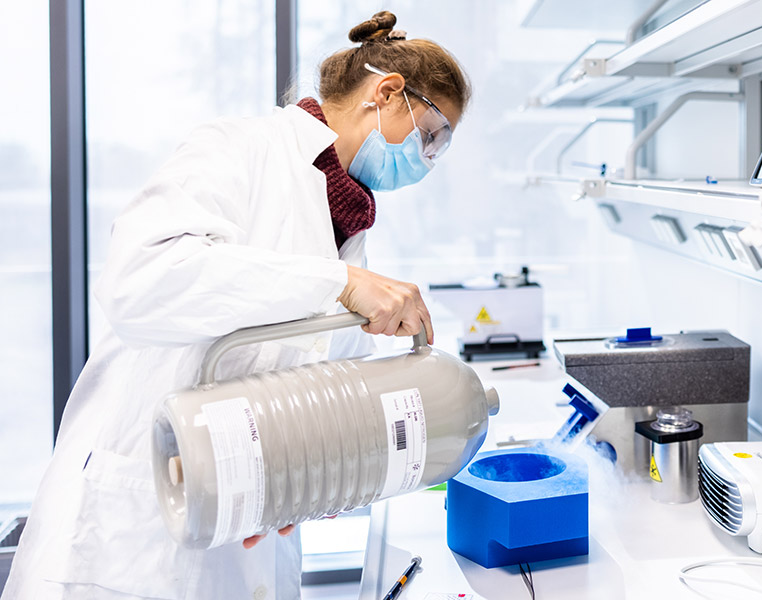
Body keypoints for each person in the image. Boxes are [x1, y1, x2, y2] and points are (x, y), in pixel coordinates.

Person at [3, 11, 470, 600]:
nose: (429, 159)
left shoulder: (347, 223)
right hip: (135, 536)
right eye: (433, 135)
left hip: (244, 527)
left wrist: (308, 480)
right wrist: (338, 282)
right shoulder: (241, 149)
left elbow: (302, 391)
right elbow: (141, 280)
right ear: (387, 93)